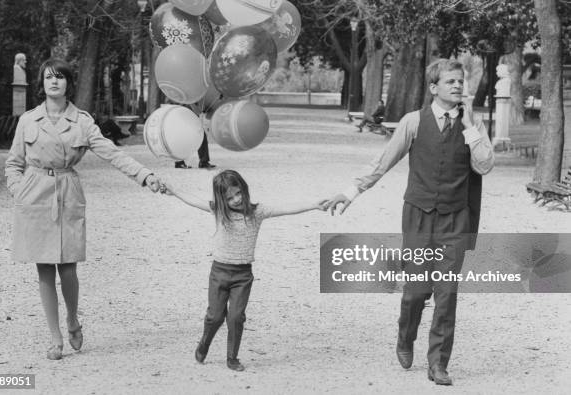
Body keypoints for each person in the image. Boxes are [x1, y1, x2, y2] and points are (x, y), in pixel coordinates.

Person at [326, 59, 494, 385]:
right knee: (417, 291)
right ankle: (406, 336)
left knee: (447, 292)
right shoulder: (413, 122)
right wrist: (350, 191)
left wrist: (472, 125)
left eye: (461, 81)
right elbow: (383, 162)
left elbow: (484, 165)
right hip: (419, 216)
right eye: (450, 82)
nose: (458, 86)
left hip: (456, 218)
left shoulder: (474, 125)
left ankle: (438, 363)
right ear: (433, 87)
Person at [5, 59, 161, 361]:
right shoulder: (28, 120)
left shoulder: (82, 121)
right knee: (44, 269)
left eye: (60, 77)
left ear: (68, 83)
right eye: (49, 77)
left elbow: (112, 153)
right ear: (42, 83)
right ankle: (55, 337)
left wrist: (145, 175)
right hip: (34, 194)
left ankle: (73, 320)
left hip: (67, 193)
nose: (54, 82)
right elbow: (13, 163)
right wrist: (18, 189)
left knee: (68, 267)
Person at [160, 170, 327, 371]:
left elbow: (286, 208)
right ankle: (204, 343)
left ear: (244, 189)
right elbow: (193, 201)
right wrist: (173, 190)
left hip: (242, 275)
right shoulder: (220, 211)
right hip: (219, 272)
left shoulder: (257, 212)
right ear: (222, 199)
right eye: (230, 198)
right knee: (215, 316)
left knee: (236, 317)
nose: (236, 199)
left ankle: (232, 357)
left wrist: (314, 205)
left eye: (238, 193)